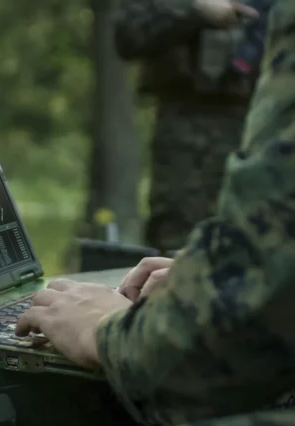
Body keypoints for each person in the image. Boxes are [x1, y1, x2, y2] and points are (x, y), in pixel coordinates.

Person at [16, 1, 295, 426]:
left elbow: (196, 369)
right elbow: (130, 31)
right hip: (190, 135)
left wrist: (109, 332)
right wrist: (215, 281)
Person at [114, 0, 268, 253]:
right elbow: (128, 34)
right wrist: (194, 10)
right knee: (178, 239)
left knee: (261, 236)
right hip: (188, 129)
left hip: (265, 125)